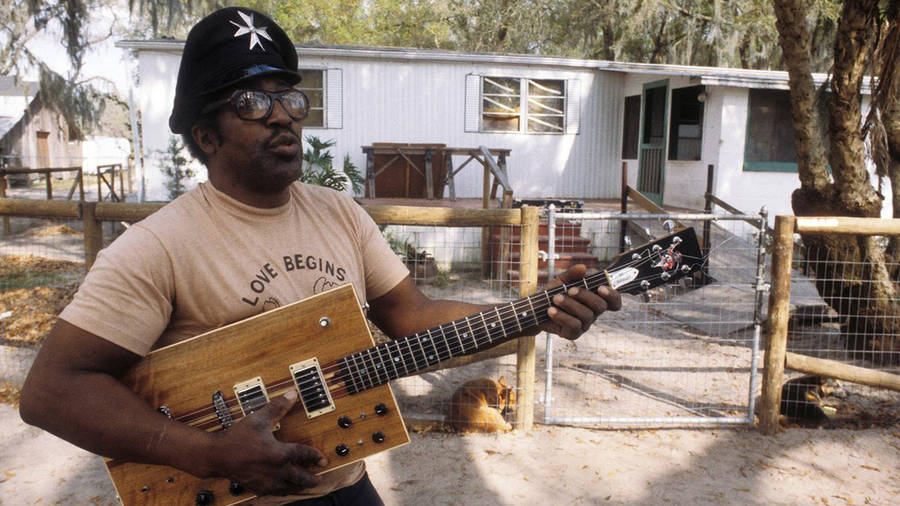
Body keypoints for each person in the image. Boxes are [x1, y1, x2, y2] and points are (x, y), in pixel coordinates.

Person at [19, 7, 621, 505]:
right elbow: (51, 391)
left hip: (343, 484)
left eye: (290, 99)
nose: (283, 116)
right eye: (253, 104)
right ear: (206, 136)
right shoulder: (158, 247)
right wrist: (203, 452)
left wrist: (540, 311)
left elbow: (413, 318)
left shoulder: (338, 212)